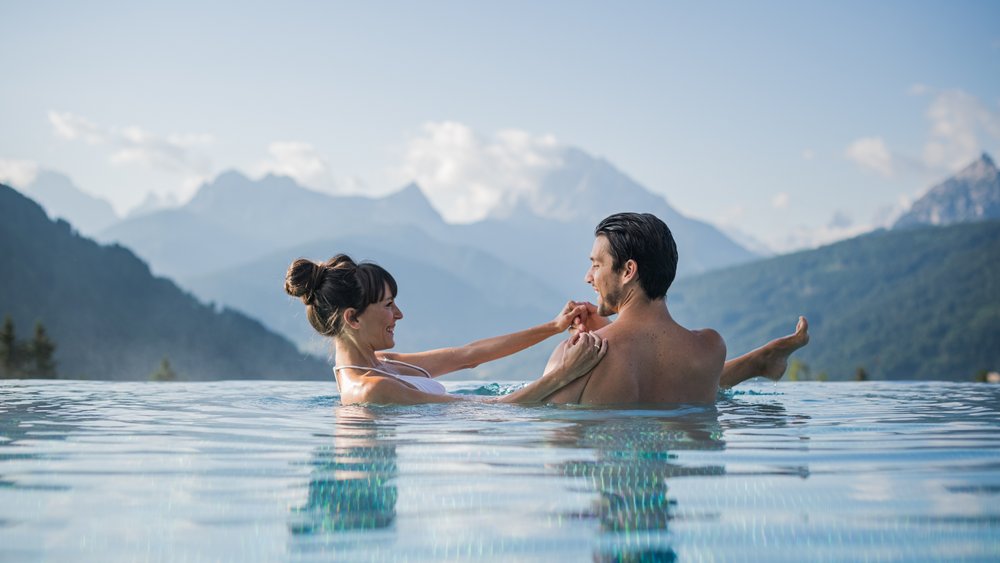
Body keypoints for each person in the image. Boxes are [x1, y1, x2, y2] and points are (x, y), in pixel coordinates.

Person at [540, 212, 810, 405]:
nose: (588, 276)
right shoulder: (710, 349)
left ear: (628, 271)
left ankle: (758, 362)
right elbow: (648, 363)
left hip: (610, 471)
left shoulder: (575, 357)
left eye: (596, 265)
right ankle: (758, 362)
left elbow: (553, 449)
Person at [284, 254, 607, 405]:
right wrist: (562, 375)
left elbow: (469, 356)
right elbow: (490, 410)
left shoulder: (385, 363)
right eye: (387, 305)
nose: (399, 314)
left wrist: (554, 326)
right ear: (352, 318)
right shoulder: (370, 389)